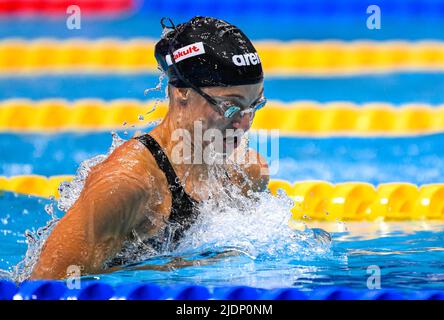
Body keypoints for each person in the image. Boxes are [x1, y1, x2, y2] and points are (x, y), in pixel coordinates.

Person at [31, 16, 269, 279]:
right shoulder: (128, 184)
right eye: (230, 107)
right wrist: (181, 268)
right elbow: (46, 286)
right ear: (182, 92)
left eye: (254, 106)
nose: (243, 124)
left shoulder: (245, 174)